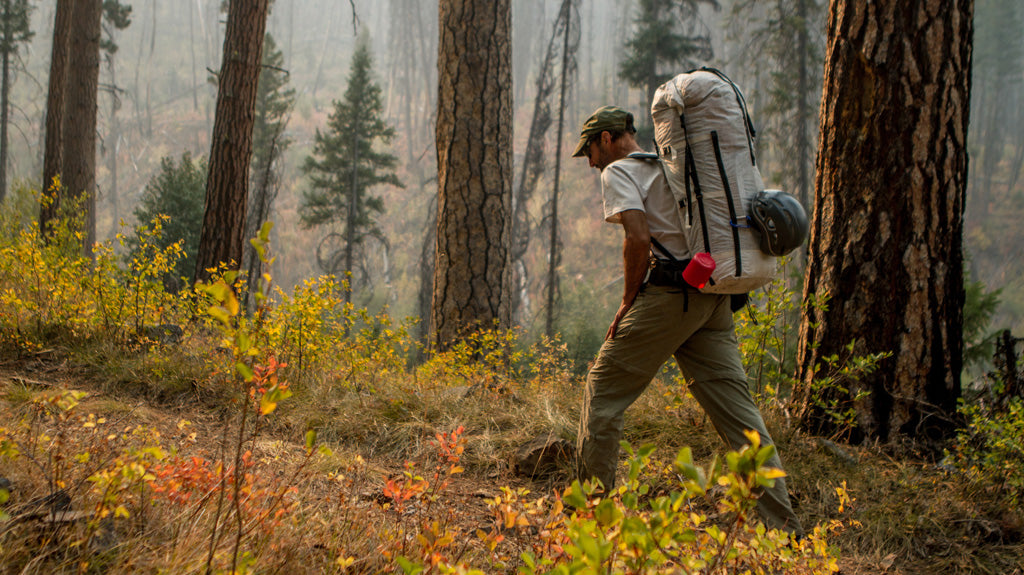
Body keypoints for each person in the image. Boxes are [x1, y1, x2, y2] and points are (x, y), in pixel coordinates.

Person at [571, 105, 803, 535]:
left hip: (670, 298)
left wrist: (627, 302)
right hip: (714, 299)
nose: (589, 161)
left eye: (588, 150)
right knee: (742, 419)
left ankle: (587, 519)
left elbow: (638, 238)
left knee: (602, 391)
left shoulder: (618, 172)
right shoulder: (672, 166)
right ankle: (784, 530)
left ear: (606, 139)